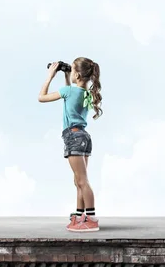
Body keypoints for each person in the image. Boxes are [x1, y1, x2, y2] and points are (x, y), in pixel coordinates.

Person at [38, 57, 103, 232]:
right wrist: (67, 75)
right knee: (79, 181)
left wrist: (50, 76)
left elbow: (41, 97)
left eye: (73, 70)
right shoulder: (86, 93)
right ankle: (80, 215)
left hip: (73, 137)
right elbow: (70, 96)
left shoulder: (69, 91)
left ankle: (90, 219)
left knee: (82, 181)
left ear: (78, 74)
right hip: (84, 137)